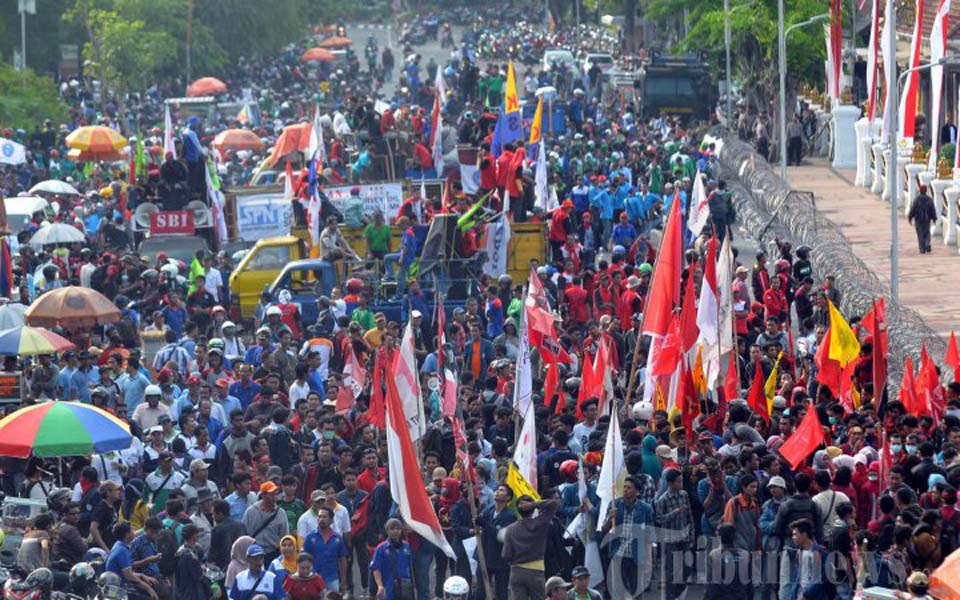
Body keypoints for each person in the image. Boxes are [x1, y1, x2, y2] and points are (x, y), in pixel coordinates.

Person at [502, 496, 561, 600]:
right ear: (533, 510)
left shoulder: (510, 529)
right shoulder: (540, 523)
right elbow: (554, 504)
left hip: (516, 571)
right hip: (536, 571)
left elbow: (506, 554)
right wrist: (534, 504)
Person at [301, 506, 348, 593]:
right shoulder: (309, 537)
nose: (321, 519)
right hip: (313, 579)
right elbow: (303, 559)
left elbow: (342, 560)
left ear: (331, 520)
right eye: (319, 516)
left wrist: (343, 581)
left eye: (324, 517)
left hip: (332, 579)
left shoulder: (337, 539)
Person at [705, 523, 752, 600]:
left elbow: (711, 585)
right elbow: (749, 585)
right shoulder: (745, 554)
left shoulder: (714, 555)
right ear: (734, 537)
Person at [370, 518, 413, 600]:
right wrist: (380, 586)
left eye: (398, 529)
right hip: (389, 587)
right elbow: (376, 569)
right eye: (392, 529)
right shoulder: (381, 549)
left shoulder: (406, 546)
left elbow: (410, 567)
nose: (395, 531)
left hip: (404, 587)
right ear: (387, 530)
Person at [175, 524, 209, 600]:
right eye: (196, 533)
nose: (198, 535)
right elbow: (199, 576)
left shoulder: (180, 550)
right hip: (192, 592)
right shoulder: (189, 555)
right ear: (193, 536)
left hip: (182, 590)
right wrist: (203, 569)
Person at [908, 184, 937, 254]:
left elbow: (913, 210)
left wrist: (910, 217)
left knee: (920, 234)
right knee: (927, 233)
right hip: (927, 220)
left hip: (918, 220)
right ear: (926, 191)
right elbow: (932, 210)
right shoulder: (929, 199)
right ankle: (927, 244)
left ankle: (922, 249)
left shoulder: (916, 199)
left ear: (920, 190)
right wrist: (934, 218)